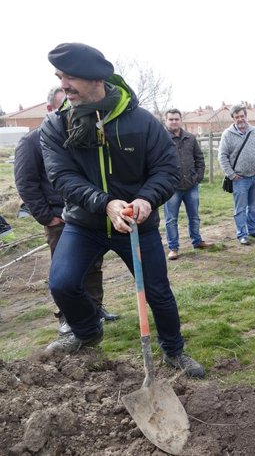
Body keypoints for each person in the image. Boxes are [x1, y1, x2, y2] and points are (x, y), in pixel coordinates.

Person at [40, 42, 204, 378]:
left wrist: (146, 199)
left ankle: (174, 350)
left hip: (137, 225)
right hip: (85, 223)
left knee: (158, 292)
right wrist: (105, 203)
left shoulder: (141, 122)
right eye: (60, 77)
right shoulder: (57, 126)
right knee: (62, 283)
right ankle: (87, 331)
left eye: (70, 77)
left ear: (97, 79)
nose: (63, 85)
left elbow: (166, 168)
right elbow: (61, 176)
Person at [14, 85, 119, 335]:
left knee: (93, 265)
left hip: (86, 214)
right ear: (51, 109)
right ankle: (67, 317)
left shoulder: (82, 135)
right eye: (65, 106)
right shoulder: (32, 142)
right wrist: (46, 216)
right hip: (58, 218)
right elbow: (25, 182)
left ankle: (95, 309)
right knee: (64, 272)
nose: (72, 111)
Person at [163, 108, 210, 260]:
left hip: (191, 185)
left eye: (176, 119)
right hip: (172, 188)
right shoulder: (161, 139)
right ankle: (173, 248)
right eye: (171, 119)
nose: (174, 121)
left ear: (181, 120)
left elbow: (199, 159)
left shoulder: (190, 138)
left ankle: (197, 241)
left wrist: (198, 177)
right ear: (166, 121)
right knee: (171, 219)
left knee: (194, 216)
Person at [218, 104, 255, 245]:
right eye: (236, 117)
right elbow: (222, 156)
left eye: (242, 116)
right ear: (233, 118)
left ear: (246, 116)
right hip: (240, 179)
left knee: (254, 206)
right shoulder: (227, 134)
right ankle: (242, 234)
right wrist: (231, 174)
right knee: (240, 208)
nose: (240, 119)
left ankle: (252, 230)